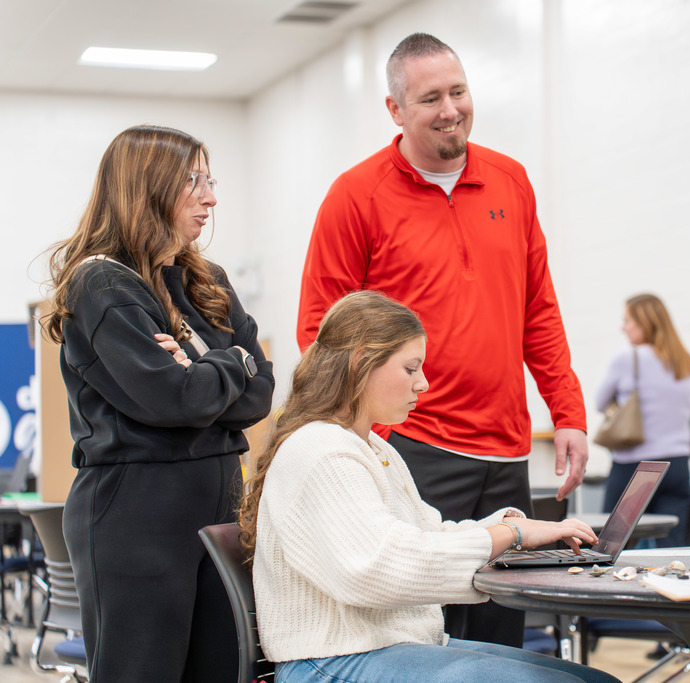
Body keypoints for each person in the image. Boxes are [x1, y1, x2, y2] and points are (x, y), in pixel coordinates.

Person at [296, 32, 588, 645]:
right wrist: (365, 439)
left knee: (499, 631)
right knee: (419, 632)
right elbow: (320, 332)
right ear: (395, 109)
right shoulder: (356, 196)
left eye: (459, 91)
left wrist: (567, 412)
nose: (451, 109)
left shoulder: (510, 181)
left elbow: (538, 308)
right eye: (431, 98)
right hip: (413, 446)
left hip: (506, 448)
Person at [238, 291, 618, 683]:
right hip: (333, 660)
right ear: (359, 362)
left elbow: (426, 537)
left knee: (596, 681)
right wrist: (509, 534)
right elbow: (377, 568)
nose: (423, 383)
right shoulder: (323, 450)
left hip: (390, 646)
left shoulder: (372, 447)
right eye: (411, 368)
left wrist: (513, 532)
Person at [41, 124, 275, 682]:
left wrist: (208, 368)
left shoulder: (205, 281)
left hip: (219, 507)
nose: (211, 197)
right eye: (194, 181)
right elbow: (175, 400)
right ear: (145, 188)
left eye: (209, 180)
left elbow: (260, 391)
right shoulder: (100, 285)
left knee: (225, 669)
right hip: (137, 517)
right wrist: (230, 362)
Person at [594, 294, 690, 548]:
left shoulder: (628, 359)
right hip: (677, 465)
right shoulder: (684, 363)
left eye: (628, 321)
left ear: (644, 323)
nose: (624, 327)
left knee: (610, 545)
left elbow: (600, 403)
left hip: (634, 467)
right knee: (671, 547)